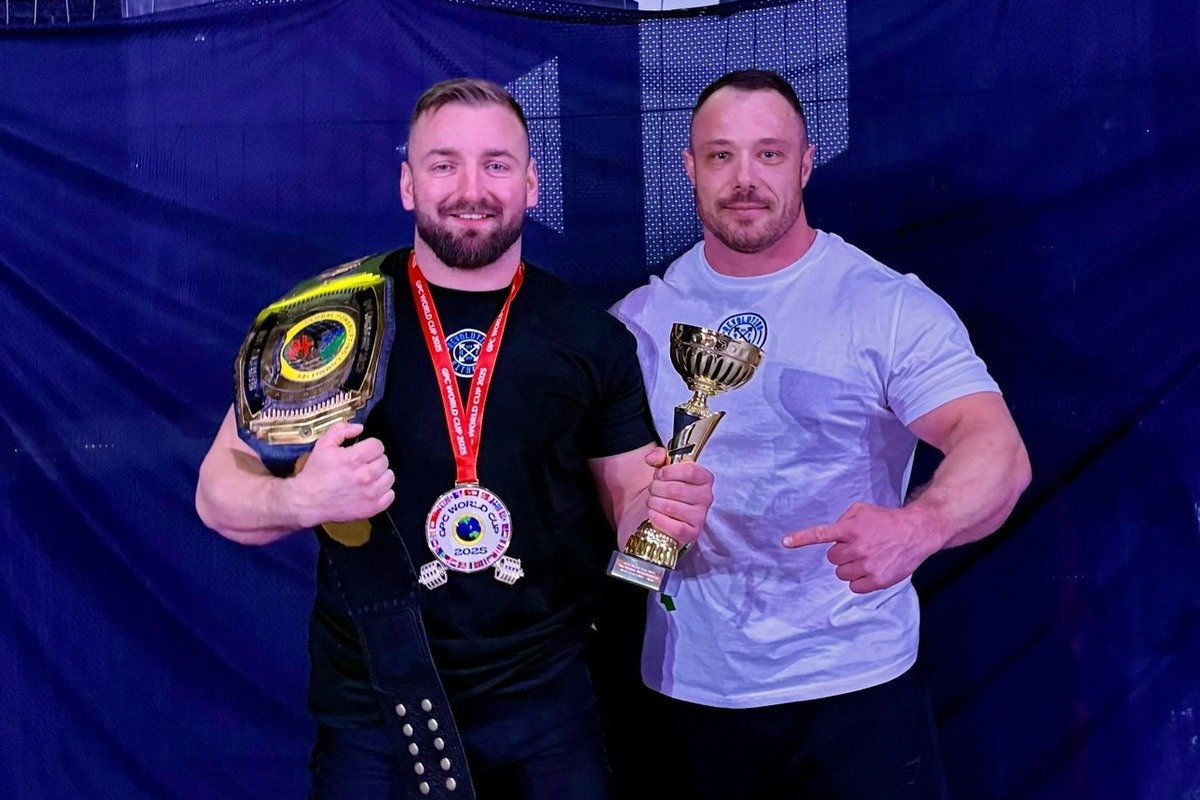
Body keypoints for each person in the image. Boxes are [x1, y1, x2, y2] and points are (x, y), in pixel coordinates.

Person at [194, 77, 714, 800]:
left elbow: (631, 506)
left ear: (531, 184)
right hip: (379, 710)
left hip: (548, 712)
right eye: (444, 165)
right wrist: (301, 498)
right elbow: (217, 492)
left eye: (497, 164)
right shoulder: (329, 323)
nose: (472, 189)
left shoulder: (591, 337)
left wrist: (663, 514)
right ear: (408, 184)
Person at [608, 69, 1032, 799]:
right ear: (689, 167)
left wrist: (920, 525)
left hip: (854, 692)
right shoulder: (639, 319)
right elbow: (611, 502)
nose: (745, 178)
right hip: (686, 691)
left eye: (770, 154)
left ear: (806, 164)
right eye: (721, 155)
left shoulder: (885, 307)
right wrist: (635, 520)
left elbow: (997, 449)